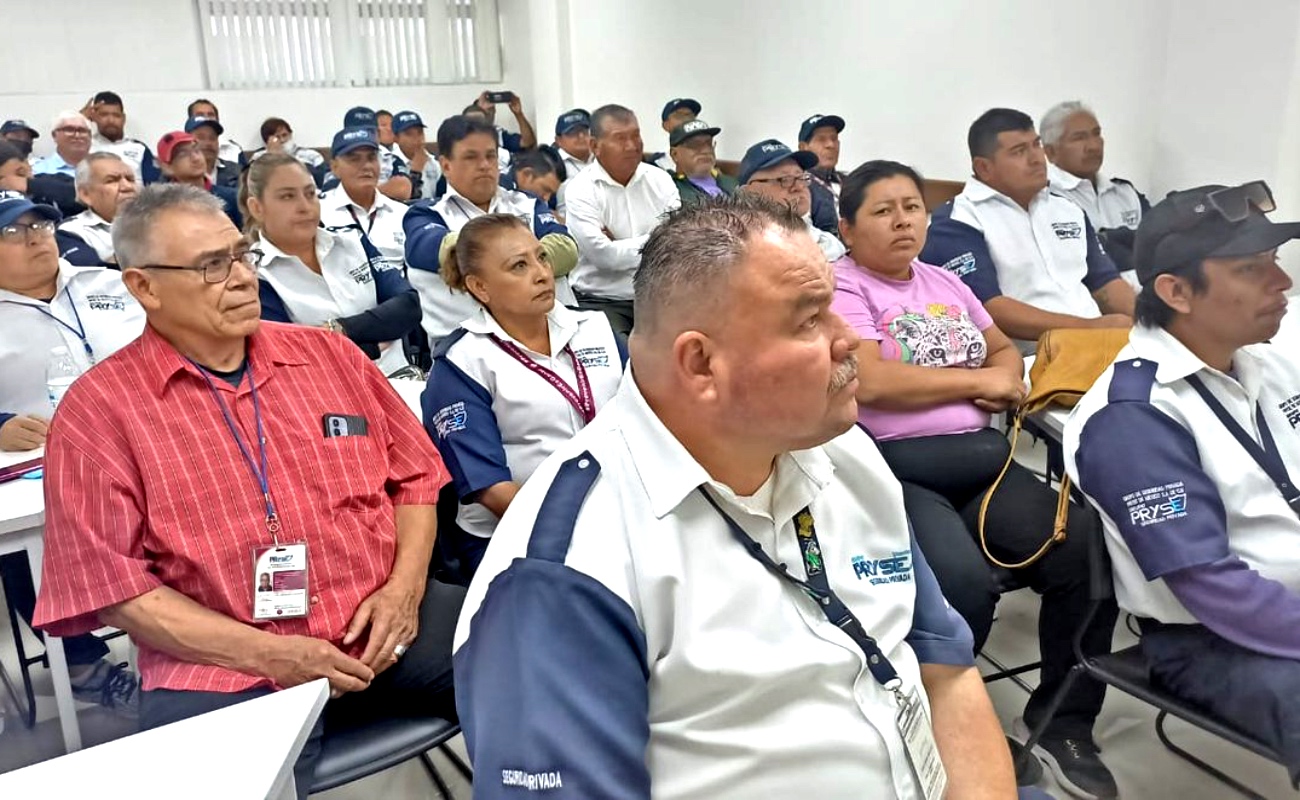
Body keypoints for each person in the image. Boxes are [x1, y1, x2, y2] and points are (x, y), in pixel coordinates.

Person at [453, 193, 1027, 799]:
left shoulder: (843, 450)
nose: (848, 342)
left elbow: (944, 671)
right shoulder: (565, 572)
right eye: (809, 320)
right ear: (701, 363)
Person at [32, 183, 467, 800]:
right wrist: (272, 656)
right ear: (143, 288)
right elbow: (115, 591)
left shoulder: (328, 356)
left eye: (242, 255)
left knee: (540, 655)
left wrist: (404, 590)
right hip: (221, 666)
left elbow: (417, 480)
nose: (240, 279)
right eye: (212, 266)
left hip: (383, 619)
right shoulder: (99, 411)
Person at [832, 160, 1119, 799]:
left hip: (984, 461)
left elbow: (999, 351)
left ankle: (1060, 720)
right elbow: (873, 381)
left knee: (1086, 548)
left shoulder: (942, 282)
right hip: (899, 472)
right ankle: (944, 723)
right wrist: (977, 382)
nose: (903, 219)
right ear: (847, 227)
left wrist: (993, 375)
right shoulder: (842, 287)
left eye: (911, 205)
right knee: (962, 586)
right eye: (882, 210)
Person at [1064, 180, 1300, 787]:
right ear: (1174, 292)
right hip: (1216, 638)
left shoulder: (1264, 360)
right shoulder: (1133, 416)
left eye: (1274, 262)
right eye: (1252, 269)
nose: (1284, 285)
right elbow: (1212, 588)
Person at [0, 189, 146, 716]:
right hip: (43, 461)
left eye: (40, 226)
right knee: (24, 545)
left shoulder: (108, 282)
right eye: (13, 232)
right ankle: (83, 666)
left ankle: (190, 638)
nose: (35, 237)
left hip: (147, 441)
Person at [422, 214, 625, 575]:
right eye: (519, 266)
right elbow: (491, 489)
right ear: (480, 287)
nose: (542, 273)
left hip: (617, 512)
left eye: (541, 257)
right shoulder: (461, 362)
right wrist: (582, 533)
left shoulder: (596, 328)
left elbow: (650, 415)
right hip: (516, 535)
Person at [920, 108, 1135, 352]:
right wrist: (1089, 329)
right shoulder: (958, 221)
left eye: (1036, 145)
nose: (1036, 159)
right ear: (984, 168)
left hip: (1099, 345)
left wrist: (1150, 324)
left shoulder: (1067, 208)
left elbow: (1105, 282)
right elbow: (989, 309)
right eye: (1019, 152)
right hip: (1031, 361)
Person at [240, 152, 420, 377]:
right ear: (257, 207)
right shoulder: (255, 274)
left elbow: (409, 306)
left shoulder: (353, 240)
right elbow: (294, 360)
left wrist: (340, 329)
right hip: (328, 399)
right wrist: (374, 344)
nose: (305, 206)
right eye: (287, 197)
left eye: (310, 194)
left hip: (404, 384)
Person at [404, 115, 578, 345]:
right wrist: (533, 255)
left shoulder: (526, 203)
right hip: (469, 348)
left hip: (558, 334)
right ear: (445, 165)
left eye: (490, 155)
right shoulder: (425, 215)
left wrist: (507, 264)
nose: (485, 164)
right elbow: (452, 254)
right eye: (471, 157)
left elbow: (567, 250)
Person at [562, 104, 680, 336]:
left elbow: (678, 242)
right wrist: (658, 240)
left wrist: (621, 245)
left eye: (636, 136)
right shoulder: (581, 190)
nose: (632, 146)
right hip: (602, 302)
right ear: (595, 146)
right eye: (620, 138)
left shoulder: (660, 180)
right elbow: (604, 257)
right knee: (624, 359)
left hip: (658, 298)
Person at [1041, 102, 1149, 282]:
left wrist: (1106, 239)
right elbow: (1077, 258)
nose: (1093, 146)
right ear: (1051, 152)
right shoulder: (1045, 198)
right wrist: (1126, 240)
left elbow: (1159, 241)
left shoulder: (1125, 192)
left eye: (1096, 134)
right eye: (1079, 138)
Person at [318, 127, 411, 269]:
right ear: (335, 167)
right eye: (354, 159)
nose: (366, 166)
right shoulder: (319, 212)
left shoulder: (402, 214)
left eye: (371, 158)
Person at [738, 138, 845, 262]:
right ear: (749, 191)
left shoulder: (828, 241)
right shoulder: (739, 246)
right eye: (785, 179)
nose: (799, 187)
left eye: (801, 177)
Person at [58, 152, 138, 267]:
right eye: (112, 180)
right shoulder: (70, 231)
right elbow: (89, 278)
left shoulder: (157, 221)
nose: (127, 187)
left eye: (130, 179)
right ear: (86, 194)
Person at [156, 130, 241, 229]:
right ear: (167, 167)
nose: (196, 158)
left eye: (196, 150)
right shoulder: (163, 207)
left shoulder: (230, 197)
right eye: (183, 154)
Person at [331, 106, 413, 202]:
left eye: (370, 131)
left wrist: (363, 190)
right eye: (354, 159)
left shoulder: (391, 158)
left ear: (378, 134)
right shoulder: (340, 157)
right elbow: (331, 191)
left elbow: (402, 189)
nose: (364, 135)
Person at [86, 91, 159, 186]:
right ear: (94, 117)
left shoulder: (139, 148)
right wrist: (81, 118)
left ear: (123, 118)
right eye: (104, 115)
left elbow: (153, 186)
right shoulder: (85, 147)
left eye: (116, 115)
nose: (111, 120)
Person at [667, 119, 737, 204]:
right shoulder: (669, 189)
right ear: (674, 154)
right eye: (694, 144)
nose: (706, 150)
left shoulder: (732, 183)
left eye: (708, 143)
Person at [464, 91, 537, 170]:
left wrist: (518, 114)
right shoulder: (459, 139)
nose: (489, 114)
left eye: (492, 110)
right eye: (485, 112)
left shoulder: (499, 134)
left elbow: (528, 142)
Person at [391, 110, 442, 201]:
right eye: (409, 134)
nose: (417, 138)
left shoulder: (434, 162)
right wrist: (416, 171)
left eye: (420, 132)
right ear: (396, 138)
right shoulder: (389, 163)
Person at [250, 117, 325, 175]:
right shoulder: (258, 158)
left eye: (284, 135)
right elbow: (252, 182)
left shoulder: (312, 155)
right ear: (267, 140)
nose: (282, 140)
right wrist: (273, 157)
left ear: (291, 134)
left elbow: (323, 179)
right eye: (277, 137)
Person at [32, 111, 93, 178]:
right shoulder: (37, 171)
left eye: (82, 130)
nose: (77, 135)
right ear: (54, 135)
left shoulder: (103, 169)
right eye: (69, 130)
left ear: (90, 135)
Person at [186, 115, 240, 189]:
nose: (208, 143)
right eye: (201, 137)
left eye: (212, 138)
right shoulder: (175, 173)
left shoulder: (236, 171)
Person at [187, 99, 246, 166]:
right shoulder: (181, 151)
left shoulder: (234, 150)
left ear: (218, 120)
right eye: (200, 115)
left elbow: (245, 174)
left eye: (210, 115)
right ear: (190, 120)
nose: (206, 118)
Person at [650, 97, 700, 171]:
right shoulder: (656, 165)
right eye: (679, 116)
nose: (686, 120)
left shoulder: (705, 161)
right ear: (665, 126)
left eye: (690, 116)